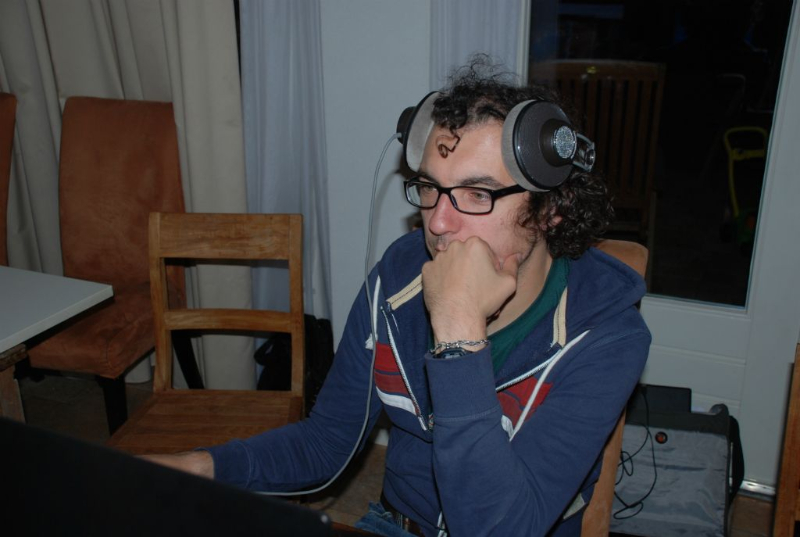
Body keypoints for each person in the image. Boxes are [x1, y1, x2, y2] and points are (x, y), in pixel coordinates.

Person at [146, 59, 651, 536]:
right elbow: (326, 442)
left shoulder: (608, 338)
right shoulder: (398, 279)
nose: (438, 222)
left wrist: (458, 335)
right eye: (430, 188)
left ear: (551, 209)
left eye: (477, 194)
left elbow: (499, 529)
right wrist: (200, 467)